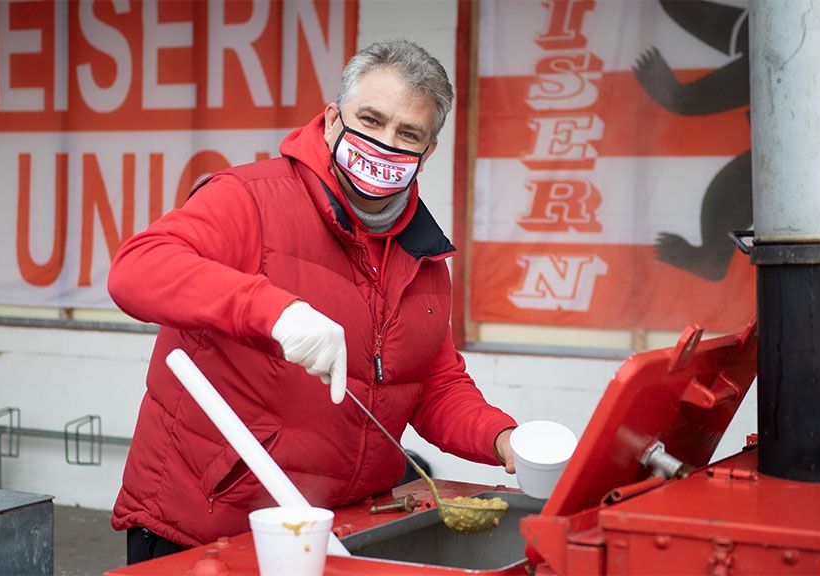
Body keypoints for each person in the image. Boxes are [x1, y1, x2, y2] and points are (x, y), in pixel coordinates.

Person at [107, 39, 518, 563]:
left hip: (338, 530)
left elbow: (434, 387)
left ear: (428, 150)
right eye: (370, 120)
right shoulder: (250, 198)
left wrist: (505, 440)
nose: (384, 143)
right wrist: (273, 312)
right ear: (332, 120)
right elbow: (137, 269)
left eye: (407, 133)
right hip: (207, 526)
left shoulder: (425, 258)